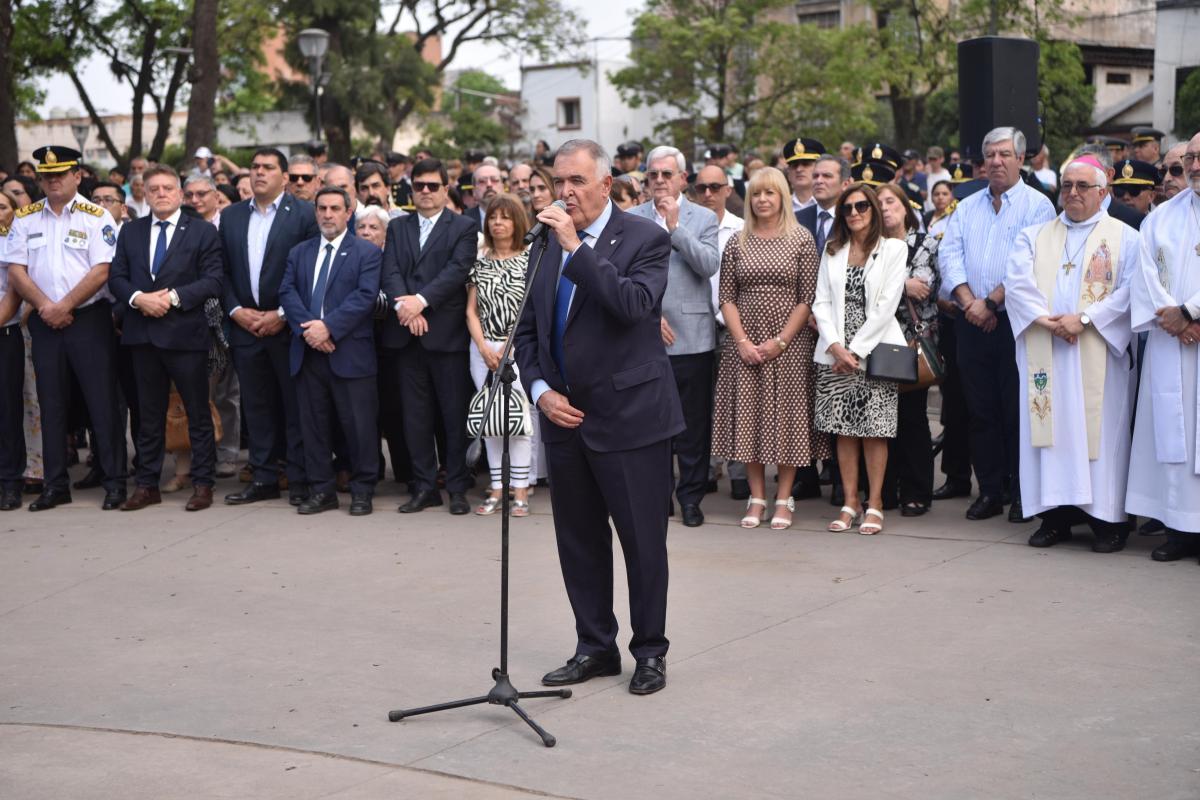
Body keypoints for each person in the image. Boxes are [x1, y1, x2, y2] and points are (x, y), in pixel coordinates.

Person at [515, 139, 682, 696]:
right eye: (558, 181)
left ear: (606, 185)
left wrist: (576, 249)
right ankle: (595, 646)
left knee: (641, 543)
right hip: (564, 418)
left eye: (577, 182)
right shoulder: (541, 244)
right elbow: (529, 332)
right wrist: (539, 391)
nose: (564, 192)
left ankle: (650, 652)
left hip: (631, 418)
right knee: (579, 541)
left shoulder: (645, 238)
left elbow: (634, 305)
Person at [1002, 155, 1139, 552]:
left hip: (1096, 350)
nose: (1073, 193)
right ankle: (1055, 518)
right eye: (1066, 186)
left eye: (1082, 186)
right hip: (1046, 348)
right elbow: (1017, 283)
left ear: (1103, 192)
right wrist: (1047, 322)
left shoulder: (1125, 237)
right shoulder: (1035, 235)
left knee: (1100, 435)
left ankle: (1107, 522)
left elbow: (1130, 292)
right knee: (1051, 434)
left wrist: (1084, 319)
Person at [939, 127, 1056, 522]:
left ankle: (1022, 493)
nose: (996, 162)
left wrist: (991, 303)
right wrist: (971, 302)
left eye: (1005, 154)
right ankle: (989, 490)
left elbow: (1032, 265)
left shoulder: (1038, 206)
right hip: (971, 323)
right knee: (980, 411)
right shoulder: (967, 206)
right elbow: (949, 256)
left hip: (1015, 325)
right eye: (990, 155)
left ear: (1021, 159)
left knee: (1016, 411)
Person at [2, 145, 127, 511]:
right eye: (47, 177)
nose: (53, 181)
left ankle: (114, 481)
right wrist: (45, 307)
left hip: (87, 319)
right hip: (44, 320)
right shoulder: (25, 218)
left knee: (101, 402)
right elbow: (15, 270)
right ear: (40, 180)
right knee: (51, 404)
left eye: (61, 175)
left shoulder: (96, 216)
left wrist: (65, 305)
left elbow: (102, 270)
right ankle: (55, 484)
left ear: (77, 177)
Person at [712, 166, 827, 530]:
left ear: (781, 197)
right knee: (749, 417)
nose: (762, 200)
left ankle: (784, 497)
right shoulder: (737, 241)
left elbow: (806, 298)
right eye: (757, 194)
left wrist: (780, 342)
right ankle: (757, 496)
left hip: (789, 344)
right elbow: (726, 296)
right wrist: (743, 341)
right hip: (743, 343)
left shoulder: (801, 239)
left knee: (787, 419)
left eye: (770, 193)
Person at [106, 165, 223, 511]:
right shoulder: (131, 232)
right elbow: (117, 277)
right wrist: (138, 299)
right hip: (142, 336)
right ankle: (147, 485)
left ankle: (202, 484)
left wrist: (170, 298)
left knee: (197, 414)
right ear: (143, 192)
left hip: (185, 335)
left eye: (167, 188)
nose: (160, 193)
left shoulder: (201, 232)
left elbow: (214, 280)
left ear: (180, 192)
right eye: (152, 188)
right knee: (148, 415)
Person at [220, 148, 320, 506]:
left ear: (284, 176)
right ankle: (262, 477)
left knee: (295, 407)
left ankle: (298, 479)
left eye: (268, 168)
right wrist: (234, 310)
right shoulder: (230, 216)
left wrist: (280, 314)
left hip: (288, 327)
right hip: (245, 326)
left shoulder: (306, 215)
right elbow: (223, 271)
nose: (259, 173)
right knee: (256, 406)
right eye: (254, 167)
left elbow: (311, 273)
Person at [379, 158, 478, 515]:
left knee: (452, 417)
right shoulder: (397, 227)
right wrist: (407, 310)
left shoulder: (463, 227)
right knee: (414, 417)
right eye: (418, 185)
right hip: (406, 337)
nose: (424, 192)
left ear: (445, 187)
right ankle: (424, 487)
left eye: (432, 186)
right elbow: (389, 271)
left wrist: (420, 302)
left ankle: (457, 485)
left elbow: (456, 271)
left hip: (446, 337)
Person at [628, 146, 719, 527]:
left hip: (694, 338)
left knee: (693, 425)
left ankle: (692, 497)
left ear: (683, 178)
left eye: (668, 174)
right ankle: (657, 497)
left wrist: (675, 229)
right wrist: (648, 318)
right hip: (646, 338)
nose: (660, 181)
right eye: (653, 175)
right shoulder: (631, 218)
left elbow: (708, 264)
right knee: (650, 427)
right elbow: (622, 275)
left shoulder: (703, 217)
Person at [278, 186, 381, 516]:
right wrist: (310, 330)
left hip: (349, 353)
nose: (327, 214)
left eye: (335, 208)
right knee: (314, 426)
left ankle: (363, 490)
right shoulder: (300, 252)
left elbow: (364, 297)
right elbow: (288, 292)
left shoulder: (366, 253)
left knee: (359, 426)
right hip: (309, 352)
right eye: (322, 208)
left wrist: (328, 327)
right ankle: (321, 490)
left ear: (348, 213)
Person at [813, 184, 908, 535]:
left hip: (875, 349)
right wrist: (836, 346)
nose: (854, 213)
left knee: (874, 431)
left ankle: (876, 502)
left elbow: (887, 304)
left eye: (862, 206)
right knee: (843, 431)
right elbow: (820, 301)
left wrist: (856, 351)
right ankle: (850, 501)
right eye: (848, 208)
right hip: (834, 353)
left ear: (873, 210)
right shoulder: (832, 249)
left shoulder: (894, 248)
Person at [1126, 131, 1200, 563]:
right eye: (1189, 157)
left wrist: (1190, 311)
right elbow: (1144, 274)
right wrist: (1175, 320)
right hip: (1172, 343)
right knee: (1173, 433)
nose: (1193, 166)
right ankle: (1179, 529)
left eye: (1198, 158)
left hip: (1185, 328)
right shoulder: (1162, 217)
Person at [465, 193, 534, 516]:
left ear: (516, 221)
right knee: (491, 420)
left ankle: (520, 489)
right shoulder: (481, 260)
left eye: (505, 217)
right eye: (493, 217)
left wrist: (509, 346)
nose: (498, 223)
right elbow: (471, 312)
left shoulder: (530, 258)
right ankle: (496, 488)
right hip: (483, 350)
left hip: (518, 348)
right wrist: (482, 347)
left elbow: (529, 309)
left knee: (517, 420)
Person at [875, 183, 940, 516]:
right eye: (879, 203)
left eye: (891, 202)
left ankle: (916, 492)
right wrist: (900, 284)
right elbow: (862, 287)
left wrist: (889, 285)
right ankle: (883, 491)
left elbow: (922, 288)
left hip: (910, 343)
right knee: (879, 421)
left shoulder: (923, 243)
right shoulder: (869, 244)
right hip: (875, 341)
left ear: (905, 207)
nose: (885, 208)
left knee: (912, 418)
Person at [693, 163, 749, 500]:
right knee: (702, 403)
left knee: (736, 401)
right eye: (702, 188)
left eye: (716, 187)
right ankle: (708, 467)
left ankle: (739, 471)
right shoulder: (684, 228)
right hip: (695, 323)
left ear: (728, 190)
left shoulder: (742, 229)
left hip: (733, 325)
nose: (709, 194)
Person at [0, 187, 23, 509]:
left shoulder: (13, 242)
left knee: (6, 411)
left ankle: (9, 482)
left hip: (4, 333)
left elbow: (15, 290)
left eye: (2, 206)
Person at [782, 137, 825, 213]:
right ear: (788, 173)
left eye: (806, 164)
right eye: (794, 165)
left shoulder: (829, 204)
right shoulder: (780, 206)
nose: (799, 169)